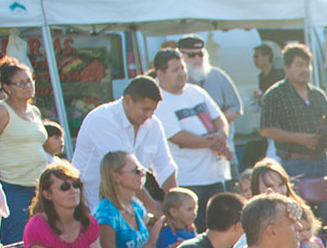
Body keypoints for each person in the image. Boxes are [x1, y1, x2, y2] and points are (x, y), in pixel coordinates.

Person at [69, 77, 175, 201]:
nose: (149, 115)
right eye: (145, 109)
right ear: (128, 100)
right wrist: (154, 208)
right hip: (91, 203)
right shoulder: (102, 119)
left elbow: (164, 167)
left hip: (130, 204)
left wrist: (175, 204)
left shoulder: (153, 124)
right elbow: (125, 172)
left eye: (153, 110)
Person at [150, 47, 232, 204]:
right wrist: (217, 142)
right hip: (188, 180)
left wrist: (221, 134)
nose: (182, 73)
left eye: (182, 68)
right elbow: (179, 137)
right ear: (160, 74)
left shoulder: (196, 91)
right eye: (175, 70)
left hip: (215, 176)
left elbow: (219, 118)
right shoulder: (159, 101)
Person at [259, 44, 327, 187]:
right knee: (299, 208)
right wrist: (299, 138)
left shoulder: (318, 95)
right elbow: (266, 129)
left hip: (322, 162)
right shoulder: (274, 94)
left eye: (308, 65)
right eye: (299, 65)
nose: (305, 69)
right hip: (293, 164)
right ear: (286, 68)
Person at [94, 150, 166, 248]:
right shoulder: (106, 216)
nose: (142, 174)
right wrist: (148, 246)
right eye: (136, 171)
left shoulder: (135, 207)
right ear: (116, 176)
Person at [176, 36, 242, 133]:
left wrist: (214, 125)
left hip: (221, 140)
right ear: (180, 56)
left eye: (200, 54)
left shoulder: (218, 76)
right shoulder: (174, 80)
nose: (197, 58)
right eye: (191, 55)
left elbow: (235, 109)